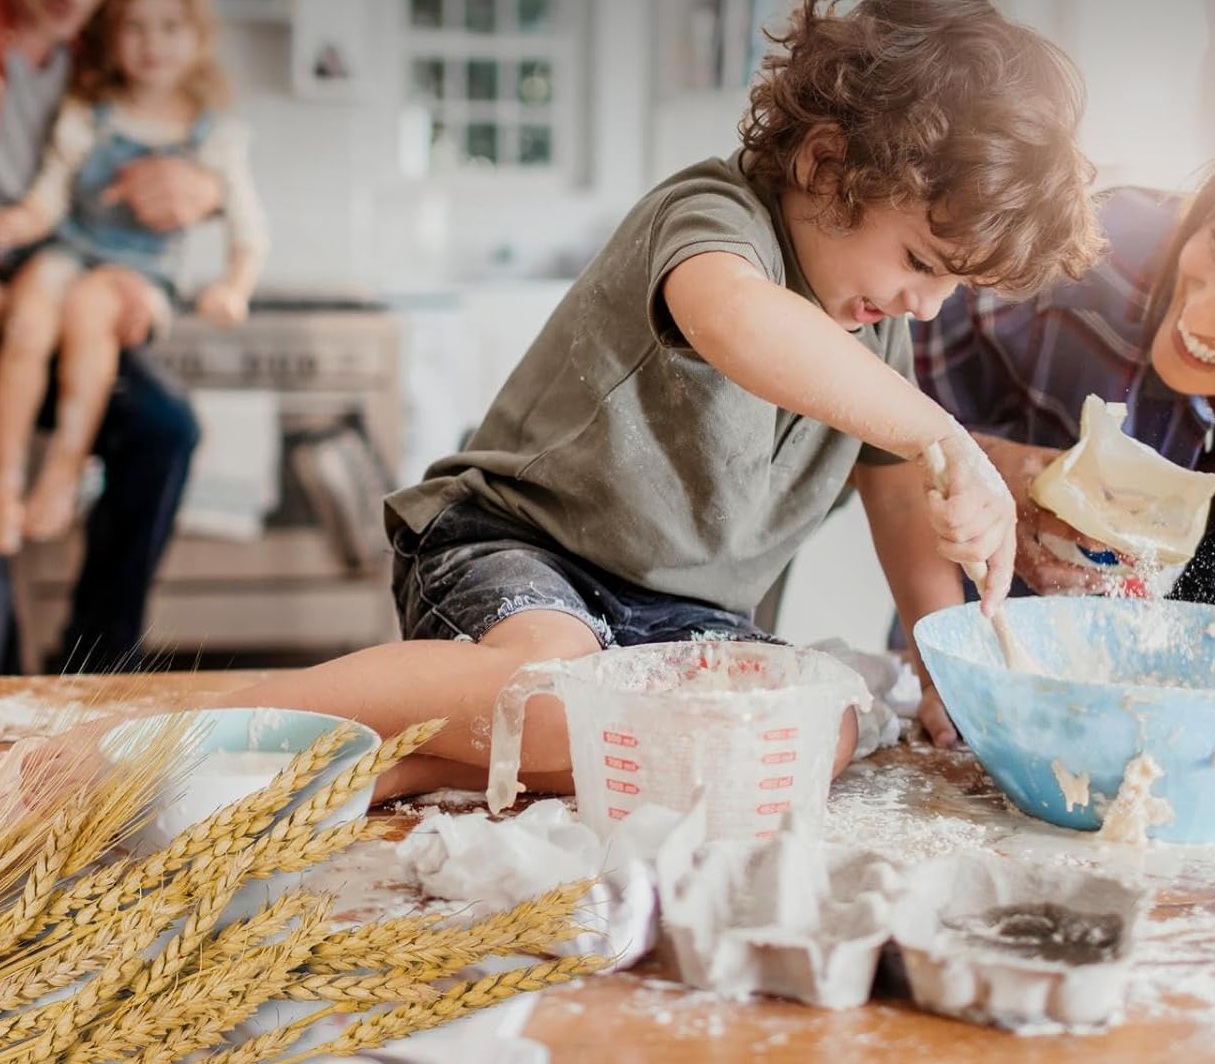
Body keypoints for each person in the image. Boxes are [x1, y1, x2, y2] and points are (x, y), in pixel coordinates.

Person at [207, 0, 1102, 799]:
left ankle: (398, 770)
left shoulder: (873, 324)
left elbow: (896, 487)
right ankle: (210, 738)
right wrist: (945, 434)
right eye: (919, 263)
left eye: (953, 284)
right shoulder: (717, 217)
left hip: (685, 623)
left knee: (812, 734)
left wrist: (938, 655)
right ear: (828, 165)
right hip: (524, 552)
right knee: (555, 697)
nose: (928, 304)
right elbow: (736, 321)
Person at [910, 102, 1215, 747]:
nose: (1205, 317)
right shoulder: (1080, 253)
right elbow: (860, 411)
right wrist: (985, 467)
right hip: (1002, 703)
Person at [0, 0, 265, 555]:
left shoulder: (206, 127)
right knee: (30, 315)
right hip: (62, 254)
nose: (152, 44)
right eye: (136, 29)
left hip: (131, 276)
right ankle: (5, 487)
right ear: (116, 39)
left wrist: (230, 281)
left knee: (104, 329)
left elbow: (244, 224)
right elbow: (48, 200)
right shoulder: (89, 107)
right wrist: (17, 225)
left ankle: (63, 474)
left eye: (170, 28)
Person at [0, 0, 215, 673]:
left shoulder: (101, 47)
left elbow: (186, 148)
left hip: (69, 274)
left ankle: (98, 668)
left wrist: (205, 188)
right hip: (28, 275)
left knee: (162, 426)